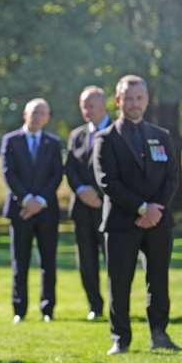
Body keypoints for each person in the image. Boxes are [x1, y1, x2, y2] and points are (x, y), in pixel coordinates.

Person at [92, 74, 181, 355]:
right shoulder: (105, 139)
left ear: (146, 100)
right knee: (119, 282)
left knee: (158, 279)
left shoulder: (161, 136)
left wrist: (155, 210)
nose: (134, 103)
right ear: (118, 101)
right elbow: (108, 182)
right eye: (128, 98)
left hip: (158, 222)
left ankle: (160, 334)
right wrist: (142, 209)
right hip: (121, 222)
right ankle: (121, 339)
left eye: (139, 98)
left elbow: (171, 177)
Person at [0, 98, 63, 324]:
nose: (37, 117)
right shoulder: (11, 140)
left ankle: (48, 310)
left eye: (42, 113)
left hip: (47, 211)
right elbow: (8, 173)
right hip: (20, 211)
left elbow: (57, 175)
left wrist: (39, 202)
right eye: (34, 112)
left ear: (47, 117)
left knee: (48, 263)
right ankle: (20, 310)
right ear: (24, 114)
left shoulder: (53, 143)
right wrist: (27, 200)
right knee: (20, 263)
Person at [65, 86, 110, 321]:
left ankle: (116, 305)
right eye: (84, 105)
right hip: (82, 209)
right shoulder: (77, 135)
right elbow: (70, 168)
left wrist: (100, 194)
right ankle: (95, 305)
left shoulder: (116, 132)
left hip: (109, 208)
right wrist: (82, 190)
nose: (86, 110)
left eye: (91, 105)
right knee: (87, 261)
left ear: (104, 105)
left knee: (114, 260)